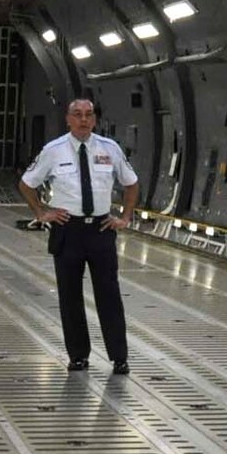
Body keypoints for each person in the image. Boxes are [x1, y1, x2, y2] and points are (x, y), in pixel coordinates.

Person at [18, 97, 140, 374]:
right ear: (68, 119)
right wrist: (41, 212)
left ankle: (119, 357)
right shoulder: (53, 150)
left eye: (88, 114)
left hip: (101, 229)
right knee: (69, 296)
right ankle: (78, 356)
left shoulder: (110, 149)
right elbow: (26, 184)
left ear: (95, 119)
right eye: (77, 114)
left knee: (109, 294)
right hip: (68, 229)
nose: (83, 119)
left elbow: (131, 184)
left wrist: (125, 217)